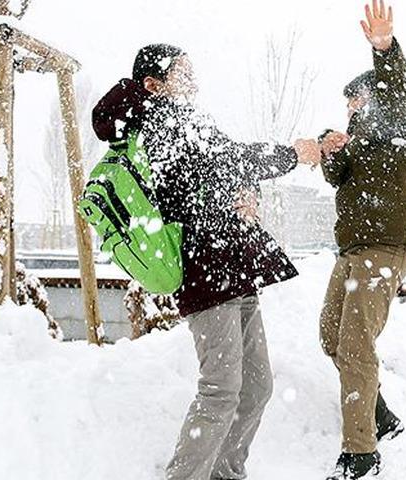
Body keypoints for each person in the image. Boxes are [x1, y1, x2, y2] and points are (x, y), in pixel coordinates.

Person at [92, 44, 322, 480]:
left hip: (233, 266)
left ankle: (225, 475)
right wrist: (291, 155)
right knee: (221, 389)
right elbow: (222, 165)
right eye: (183, 72)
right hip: (205, 270)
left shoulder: (187, 121)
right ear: (153, 84)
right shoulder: (158, 123)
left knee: (256, 387)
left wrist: (240, 193)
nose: (194, 80)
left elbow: (217, 173)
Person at [316, 1, 406, 478]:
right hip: (353, 250)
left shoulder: (405, 122)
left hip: (387, 247)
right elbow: (337, 177)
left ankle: (361, 453)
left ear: (377, 97)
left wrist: (384, 49)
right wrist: (330, 148)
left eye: (358, 102)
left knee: (355, 343)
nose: (352, 111)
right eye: (348, 106)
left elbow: (400, 91)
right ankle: (380, 415)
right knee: (332, 337)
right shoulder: (359, 142)